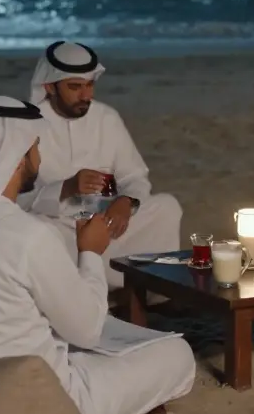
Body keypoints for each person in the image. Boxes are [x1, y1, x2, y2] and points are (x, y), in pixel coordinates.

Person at [0, 96, 196, 414]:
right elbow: (87, 331)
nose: (39, 157)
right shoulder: (27, 234)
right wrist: (90, 252)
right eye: (35, 147)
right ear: (17, 159)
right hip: (37, 402)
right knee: (177, 354)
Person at [17, 40, 182, 288]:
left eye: (90, 85)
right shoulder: (26, 125)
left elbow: (135, 177)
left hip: (107, 223)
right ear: (50, 86)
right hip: (59, 227)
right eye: (75, 87)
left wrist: (127, 202)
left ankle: (140, 286)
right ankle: (85, 289)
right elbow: (15, 199)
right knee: (36, 230)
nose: (87, 96)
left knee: (167, 207)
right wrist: (66, 188)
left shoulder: (106, 118)